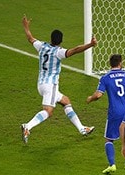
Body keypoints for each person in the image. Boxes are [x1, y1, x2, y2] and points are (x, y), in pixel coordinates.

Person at [20, 15, 97, 144]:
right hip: (50, 85)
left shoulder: (42, 46)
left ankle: (82, 129)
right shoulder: (58, 52)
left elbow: (30, 38)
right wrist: (91, 44)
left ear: (51, 38)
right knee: (48, 111)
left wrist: (26, 26)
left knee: (66, 101)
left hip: (41, 84)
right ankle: (27, 126)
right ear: (61, 41)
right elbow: (76, 50)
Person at [86, 54, 125, 174]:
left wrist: (90, 98)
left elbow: (99, 95)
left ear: (110, 64)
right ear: (120, 63)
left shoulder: (105, 78)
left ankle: (112, 165)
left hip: (115, 112)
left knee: (108, 139)